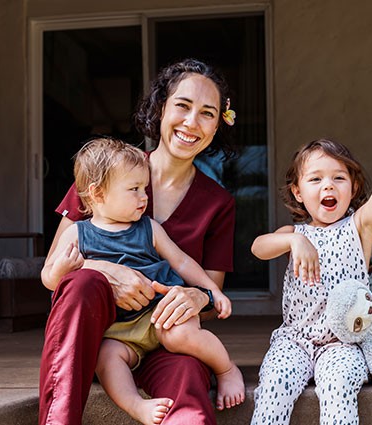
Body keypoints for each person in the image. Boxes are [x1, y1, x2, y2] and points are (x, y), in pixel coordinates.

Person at [38, 58, 238, 425]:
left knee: (190, 391)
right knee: (83, 281)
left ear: (217, 125)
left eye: (207, 113)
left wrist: (197, 297)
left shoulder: (218, 202)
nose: (192, 122)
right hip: (101, 340)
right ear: (160, 108)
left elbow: (211, 299)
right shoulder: (106, 173)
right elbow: (55, 274)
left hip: (168, 334)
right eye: (182, 105)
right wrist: (105, 272)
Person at [249, 83, 372, 425]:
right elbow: (258, 247)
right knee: (274, 383)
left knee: (338, 386)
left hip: (344, 344)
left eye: (339, 178)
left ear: (352, 188)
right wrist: (293, 241)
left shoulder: (359, 228)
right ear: (297, 191)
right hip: (295, 340)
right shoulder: (295, 234)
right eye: (316, 179)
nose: (328, 186)